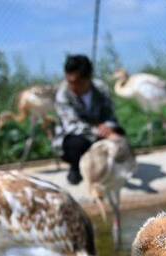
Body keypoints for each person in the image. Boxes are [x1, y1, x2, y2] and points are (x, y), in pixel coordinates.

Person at [52, 55, 124, 185]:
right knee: (76, 144)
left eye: (78, 82)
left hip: (101, 130)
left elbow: (111, 115)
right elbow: (71, 125)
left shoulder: (101, 89)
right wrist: (98, 130)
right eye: (70, 82)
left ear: (89, 78)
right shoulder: (62, 93)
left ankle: (107, 169)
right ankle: (76, 167)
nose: (73, 87)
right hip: (76, 135)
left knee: (119, 136)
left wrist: (108, 127)